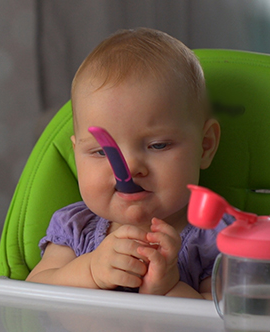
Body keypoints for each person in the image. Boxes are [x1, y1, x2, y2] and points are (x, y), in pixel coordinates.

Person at [26, 28, 229, 299]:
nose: (130, 167)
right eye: (101, 151)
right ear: (77, 154)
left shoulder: (218, 239)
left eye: (158, 145)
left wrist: (168, 289)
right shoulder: (75, 227)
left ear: (205, 147)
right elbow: (31, 296)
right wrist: (90, 271)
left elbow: (226, 319)